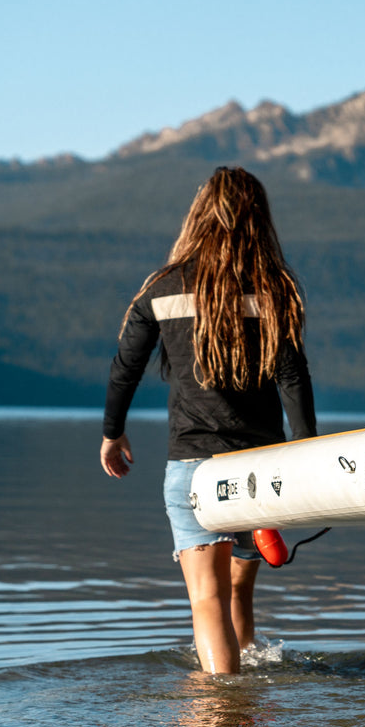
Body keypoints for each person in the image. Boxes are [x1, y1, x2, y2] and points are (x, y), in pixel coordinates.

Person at [100, 166, 316, 674]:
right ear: (258, 221)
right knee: (240, 585)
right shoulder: (275, 289)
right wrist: (307, 450)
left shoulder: (161, 289)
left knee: (207, 600)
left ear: (198, 216)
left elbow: (124, 369)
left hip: (195, 471)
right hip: (263, 470)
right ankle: (249, 684)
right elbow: (294, 377)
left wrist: (112, 433)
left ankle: (224, 711)